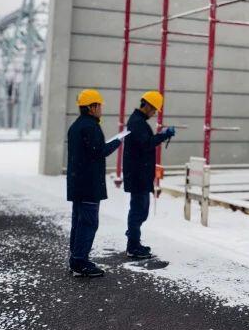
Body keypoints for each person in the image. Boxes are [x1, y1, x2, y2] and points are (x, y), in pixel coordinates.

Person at [66, 88, 123, 278]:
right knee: (89, 223)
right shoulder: (91, 127)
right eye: (99, 106)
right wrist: (117, 142)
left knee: (78, 222)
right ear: (92, 107)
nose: (101, 109)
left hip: (78, 182)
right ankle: (80, 262)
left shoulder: (76, 126)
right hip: (89, 184)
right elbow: (98, 152)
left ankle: (76, 259)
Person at [122, 90, 175, 258]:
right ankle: (133, 245)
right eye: (154, 110)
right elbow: (146, 144)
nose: (154, 113)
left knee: (140, 210)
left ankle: (133, 240)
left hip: (139, 174)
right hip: (138, 175)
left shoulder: (138, 121)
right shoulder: (137, 123)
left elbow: (145, 143)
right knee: (139, 210)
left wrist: (161, 135)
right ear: (148, 106)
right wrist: (163, 135)